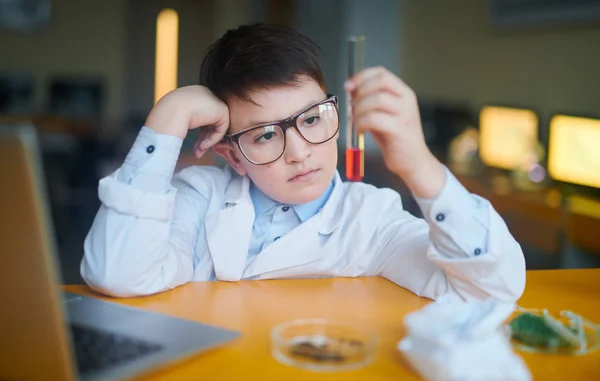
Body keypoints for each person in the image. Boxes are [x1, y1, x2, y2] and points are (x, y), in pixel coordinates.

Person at [81, 23, 525, 301]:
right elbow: (118, 274)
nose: (299, 151)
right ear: (233, 155)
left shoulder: (368, 218)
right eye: (266, 134)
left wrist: (420, 166)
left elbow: (492, 288)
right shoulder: (200, 197)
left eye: (311, 119)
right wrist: (171, 112)